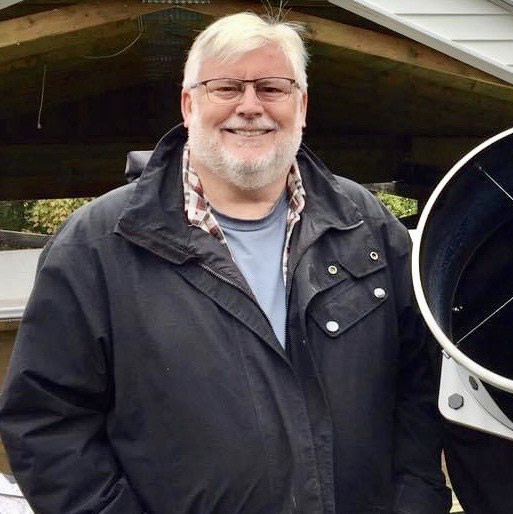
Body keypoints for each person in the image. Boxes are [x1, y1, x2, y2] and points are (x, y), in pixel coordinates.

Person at [0, 13, 450, 514]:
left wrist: (416, 501)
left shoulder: (364, 225)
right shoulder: (96, 245)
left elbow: (418, 384)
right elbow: (48, 425)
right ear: (189, 104)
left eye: (272, 88)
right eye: (227, 87)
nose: (250, 106)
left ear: (301, 106)